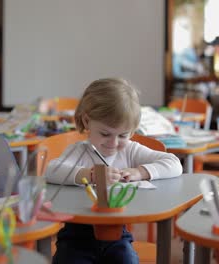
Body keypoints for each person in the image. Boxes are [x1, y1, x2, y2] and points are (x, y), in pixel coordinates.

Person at [45, 78, 183, 264]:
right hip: (76, 236)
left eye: (122, 135)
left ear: (132, 131)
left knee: (127, 260)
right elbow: (51, 170)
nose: (113, 143)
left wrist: (140, 172)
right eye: (105, 134)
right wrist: (89, 174)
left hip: (118, 234)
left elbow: (174, 163)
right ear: (87, 121)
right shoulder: (80, 151)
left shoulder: (131, 150)